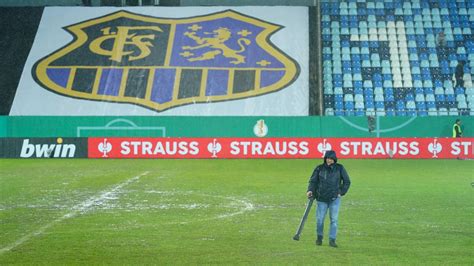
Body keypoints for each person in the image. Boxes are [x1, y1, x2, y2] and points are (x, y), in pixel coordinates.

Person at [306, 150, 351, 248]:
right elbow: (313, 181)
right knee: (320, 220)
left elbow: (347, 182)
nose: (328, 160)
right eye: (327, 158)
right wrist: (310, 190)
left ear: (334, 159)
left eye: (330, 159)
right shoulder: (319, 168)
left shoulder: (340, 168)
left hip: (334, 199)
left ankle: (332, 240)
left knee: (334, 220)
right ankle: (319, 237)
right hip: (321, 198)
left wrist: (341, 192)